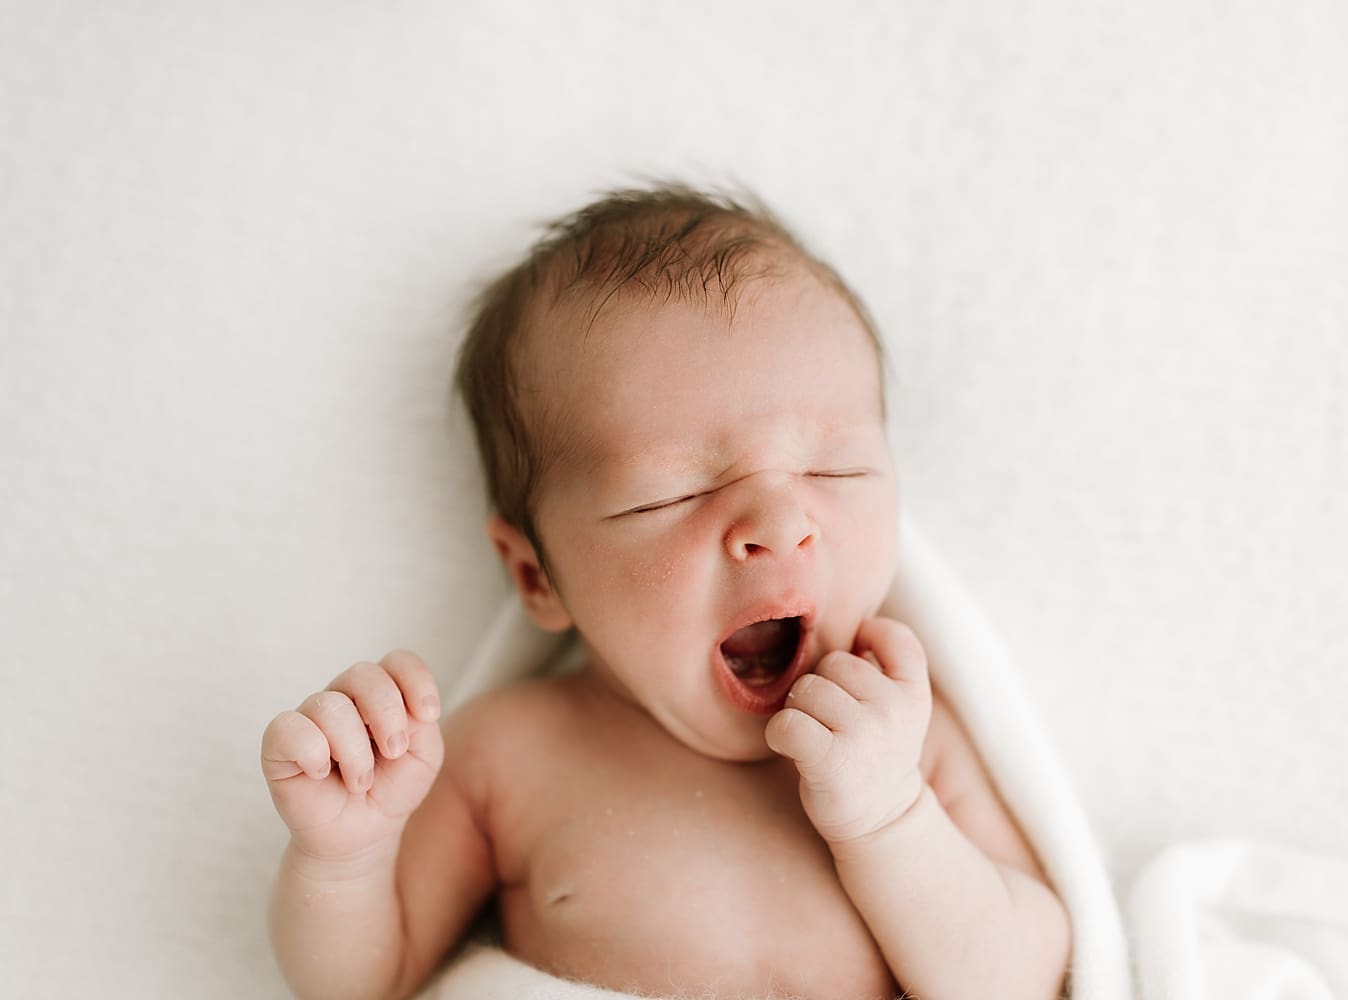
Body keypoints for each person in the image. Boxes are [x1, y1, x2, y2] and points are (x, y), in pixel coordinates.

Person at [260, 183, 1071, 1000]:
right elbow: (361, 986)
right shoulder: (509, 755)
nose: (780, 523)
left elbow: (1025, 978)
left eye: (834, 468)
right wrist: (346, 856)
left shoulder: (913, 743)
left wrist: (892, 818)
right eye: (670, 495)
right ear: (538, 576)